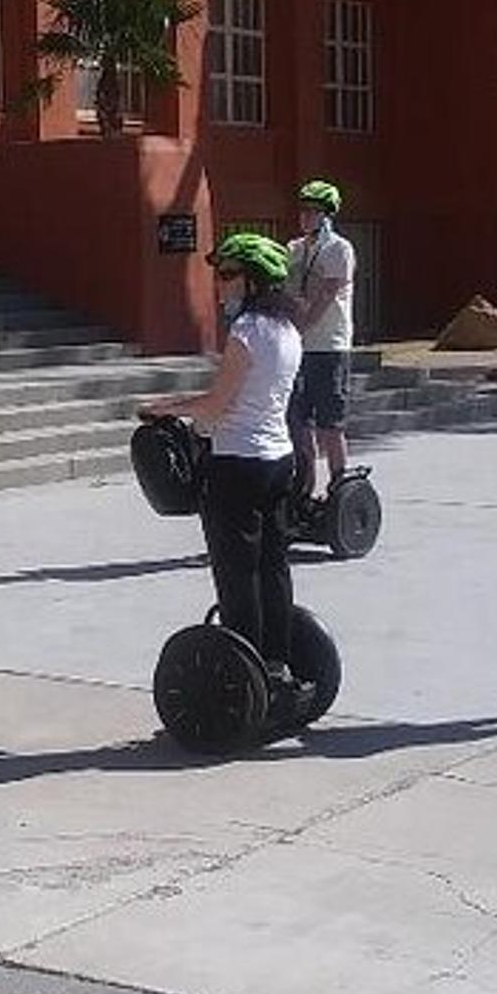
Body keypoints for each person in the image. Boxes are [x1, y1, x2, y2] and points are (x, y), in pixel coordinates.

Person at [140, 232, 309, 704]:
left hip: (237, 463)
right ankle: (276, 663)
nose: (220, 284)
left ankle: (246, 675)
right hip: (278, 460)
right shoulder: (289, 331)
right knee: (273, 566)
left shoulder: (247, 331)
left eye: (229, 274)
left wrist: (166, 408)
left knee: (238, 574)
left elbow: (217, 405)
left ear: (253, 282)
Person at [284, 179, 357, 497]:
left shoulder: (339, 249)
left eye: (313, 211)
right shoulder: (293, 249)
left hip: (328, 347)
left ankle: (340, 486)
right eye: (303, 210)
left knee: (330, 424)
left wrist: (300, 327)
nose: (306, 216)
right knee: (299, 422)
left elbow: (327, 294)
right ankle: (304, 487)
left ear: (327, 215)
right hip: (297, 348)